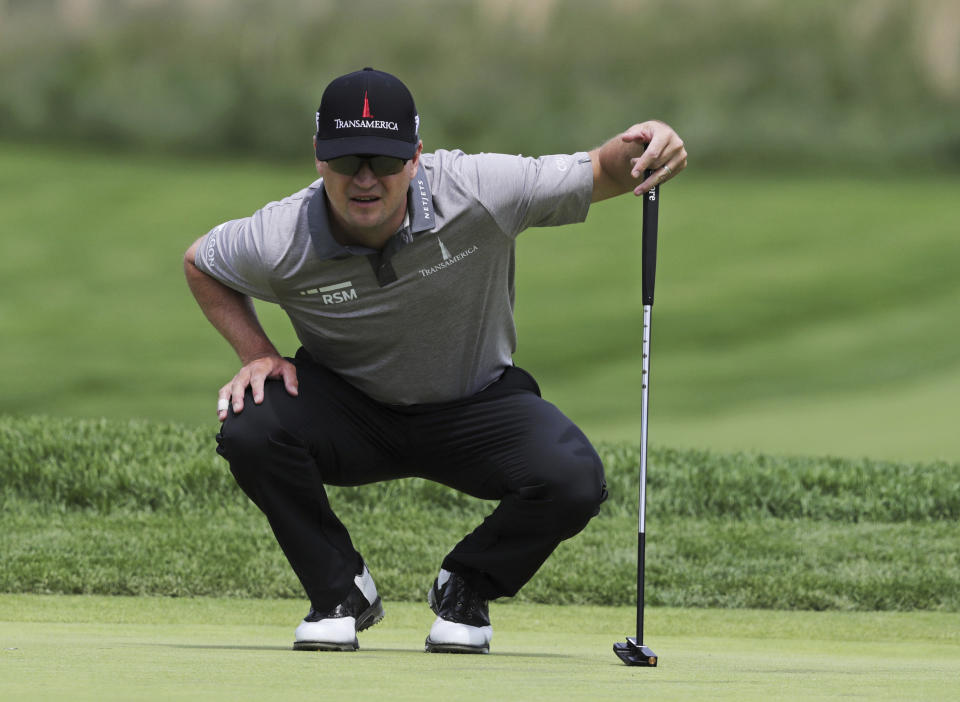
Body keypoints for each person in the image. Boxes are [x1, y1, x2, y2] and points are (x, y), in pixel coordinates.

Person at [184, 67, 687, 654]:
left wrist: (649, 142)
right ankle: (339, 591)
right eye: (348, 161)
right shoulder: (280, 236)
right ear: (320, 158)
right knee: (251, 424)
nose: (366, 180)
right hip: (350, 412)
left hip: (476, 407)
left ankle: (467, 584)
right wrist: (257, 353)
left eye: (385, 160)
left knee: (572, 478)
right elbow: (202, 263)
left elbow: (601, 170)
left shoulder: (478, 188)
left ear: (416, 156)